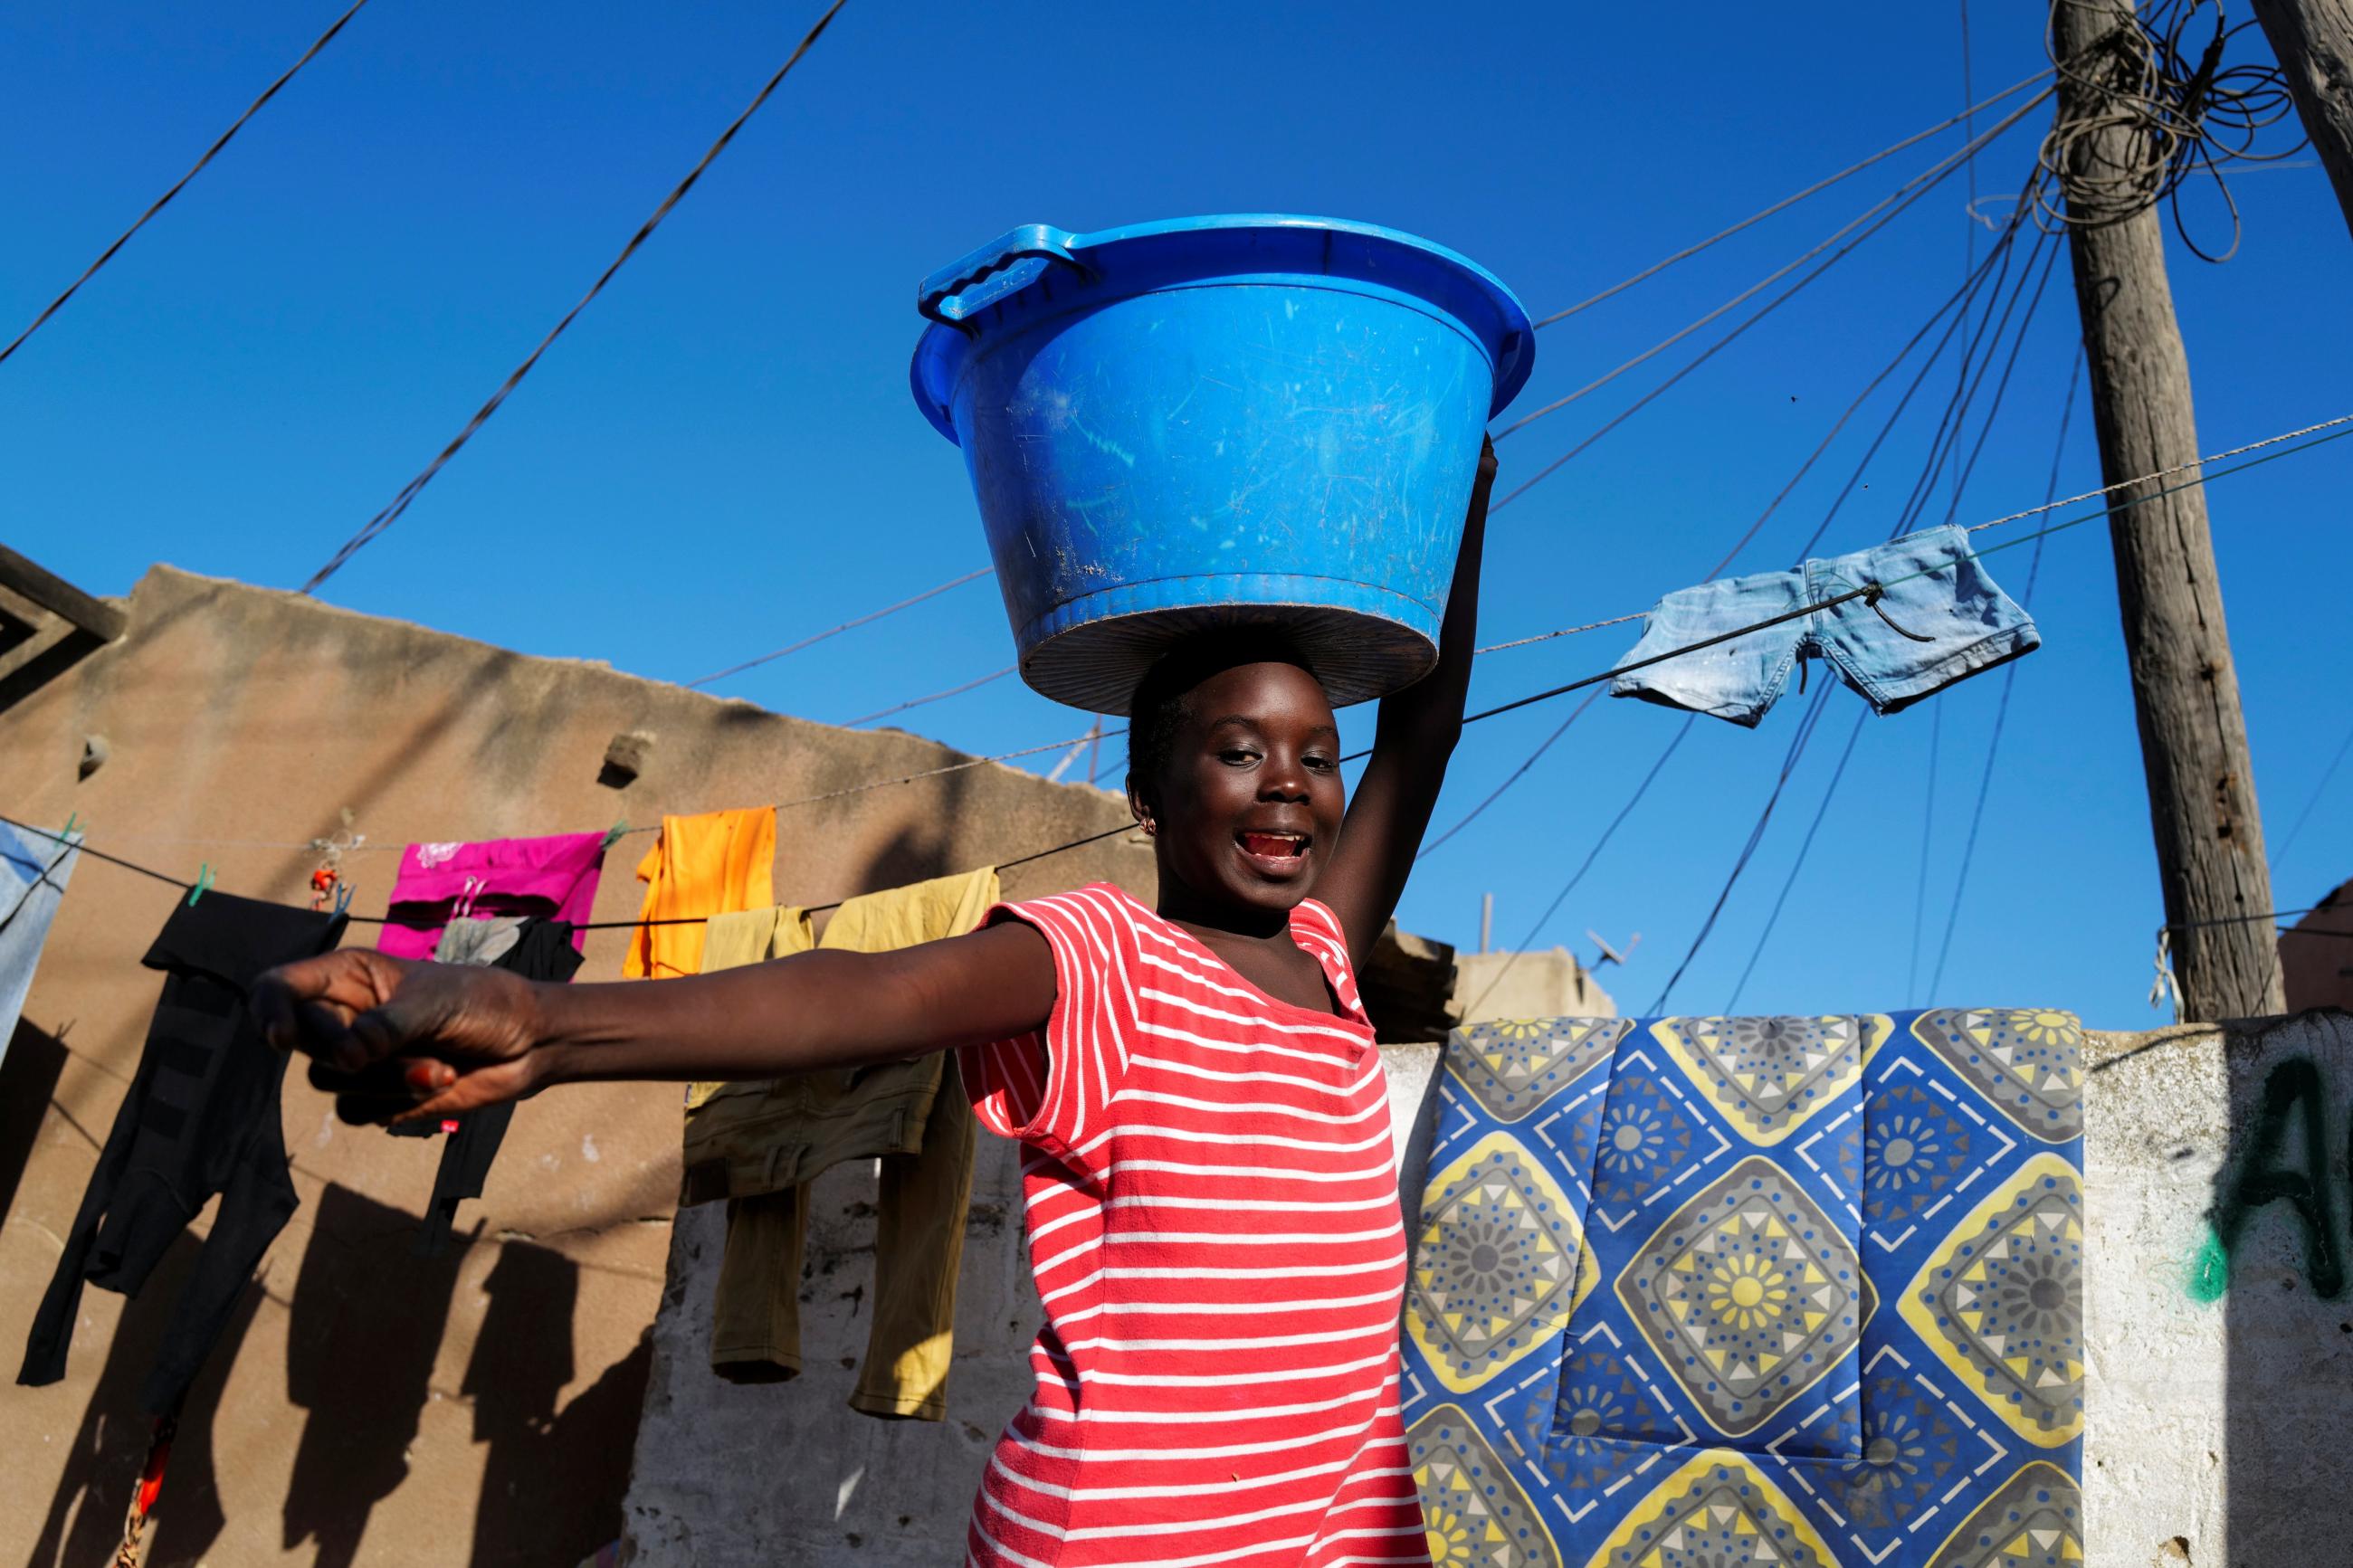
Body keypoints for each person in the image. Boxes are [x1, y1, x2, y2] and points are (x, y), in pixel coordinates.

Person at [254, 437, 1499, 1568]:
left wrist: (1455, 493)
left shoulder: (1330, 961)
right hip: (1124, 1539)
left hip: (1339, 1527)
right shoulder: (1109, 956)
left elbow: (1425, 731)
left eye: (1314, 754)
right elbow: (870, 990)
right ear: (1148, 793)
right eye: (1237, 750)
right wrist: (545, 1021)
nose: (1287, 783)